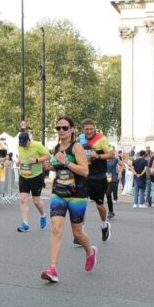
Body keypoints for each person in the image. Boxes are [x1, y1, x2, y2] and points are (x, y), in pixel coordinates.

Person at [40, 116, 97, 283]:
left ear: (72, 130)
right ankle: (52, 268)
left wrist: (65, 163)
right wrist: (50, 166)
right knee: (56, 229)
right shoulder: (56, 147)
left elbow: (85, 171)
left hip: (77, 195)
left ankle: (90, 252)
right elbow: (57, 169)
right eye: (58, 128)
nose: (61, 131)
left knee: (77, 233)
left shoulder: (77, 147)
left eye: (64, 128)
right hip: (58, 192)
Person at [78, 119, 114, 243]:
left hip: (99, 177)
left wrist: (97, 156)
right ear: (83, 129)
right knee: (81, 203)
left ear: (94, 128)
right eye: (86, 129)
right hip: (84, 175)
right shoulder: (80, 138)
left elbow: (111, 155)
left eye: (91, 129)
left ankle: (104, 225)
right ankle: (80, 232)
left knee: (99, 205)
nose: (89, 132)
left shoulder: (101, 139)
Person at [15, 132, 49, 232]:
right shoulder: (20, 146)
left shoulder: (37, 145)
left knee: (36, 201)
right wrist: (19, 161)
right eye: (22, 144)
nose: (23, 145)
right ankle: (25, 224)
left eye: (25, 143)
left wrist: (37, 160)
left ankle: (43, 215)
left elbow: (48, 156)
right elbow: (21, 156)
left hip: (36, 176)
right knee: (23, 199)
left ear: (29, 140)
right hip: (24, 176)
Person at [105, 151, 121, 219]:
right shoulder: (104, 159)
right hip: (106, 177)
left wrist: (120, 173)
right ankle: (111, 211)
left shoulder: (115, 159)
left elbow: (122, 165)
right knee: (108, 196)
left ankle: (110, 211)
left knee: (108, 193)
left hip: (114, 178)